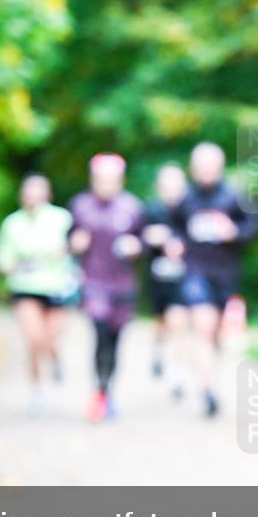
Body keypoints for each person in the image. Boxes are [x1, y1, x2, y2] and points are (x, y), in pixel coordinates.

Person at [170, 142, 258, 417]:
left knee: (217, 337)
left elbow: (255, 227)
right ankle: (207, 389)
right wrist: (175, 243)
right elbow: (174, 226)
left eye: (211, 166)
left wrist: (233, 232)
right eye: (201, 166)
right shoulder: (186, 198)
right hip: (196, 273)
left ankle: (211, 379)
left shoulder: (235, 196)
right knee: (202, 326)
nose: (206, 171)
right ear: (193, 168)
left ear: (220, 167)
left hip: (227, 275)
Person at [68, 154, 145, 423]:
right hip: (94, 283)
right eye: (101, 179)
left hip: (122, 285)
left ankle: (108, 389)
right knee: (99, 334)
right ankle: (99, 391)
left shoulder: (132, 207)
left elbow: (144, 242)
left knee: (115, 341)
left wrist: (137, 247)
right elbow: (69, 241)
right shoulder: (80, 206)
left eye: (111, 180)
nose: (106, 185)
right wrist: (75, 244)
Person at [0, 173, 77, 416]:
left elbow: (76, 245)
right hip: (24, 287)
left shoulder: (62, 218)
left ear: (47, 194)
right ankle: (36, 390)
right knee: (33, 339)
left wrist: (65, 250)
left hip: (56, 286)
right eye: (28, 192)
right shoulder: (12, 223)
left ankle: (55, 356)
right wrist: (12, 264)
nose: (32, 197)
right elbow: (3, 258)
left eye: (37, 192)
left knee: (50, 339)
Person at [142, 163, 189, 396]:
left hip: (182, 277)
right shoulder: (151, 210)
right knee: (161, 322)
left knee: (178, 323)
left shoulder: (189, 210)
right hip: (157, 277)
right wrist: (153, 238)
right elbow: (139, 237)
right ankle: (158, 351)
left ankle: (176, 372)